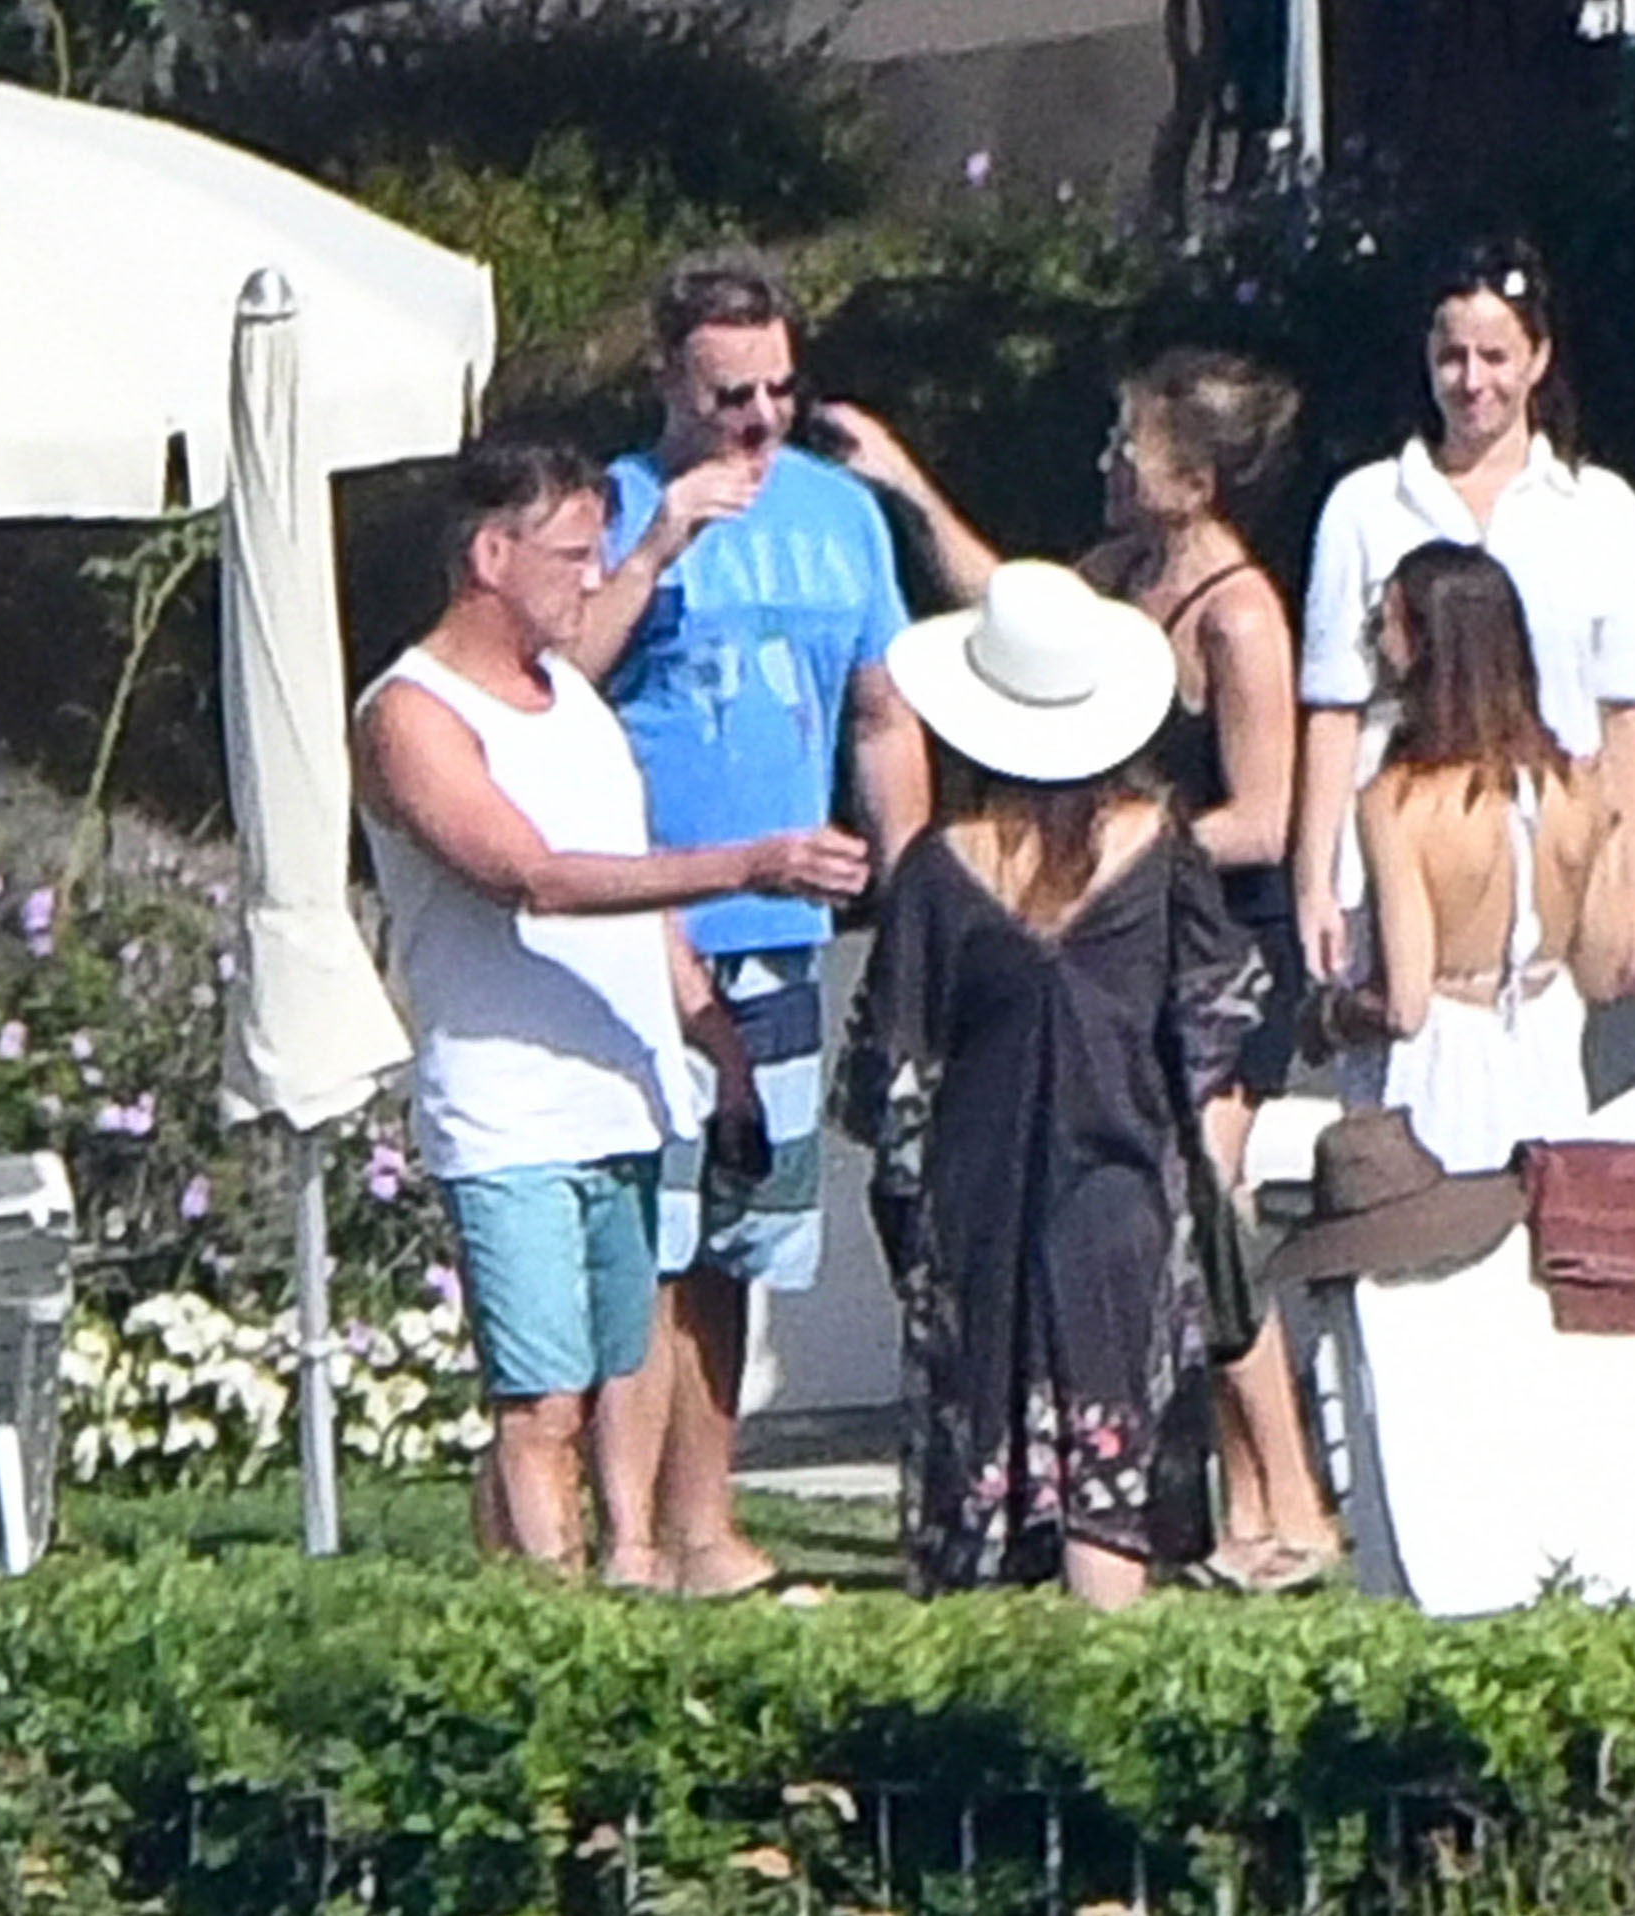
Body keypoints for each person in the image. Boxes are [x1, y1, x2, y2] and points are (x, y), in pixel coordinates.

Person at [826, 352, 1340, 1593]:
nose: (1106, 460)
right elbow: (1015, 617)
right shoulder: (1114, 574)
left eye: (1130, 445)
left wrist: (1112, 862)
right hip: (1088, 923)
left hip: (1195, 942)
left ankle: (1282, 1495)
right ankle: (1200, 1499)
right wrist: (908, 488)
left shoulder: (1237, 618)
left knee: (1199, 1215)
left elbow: (1265, 816)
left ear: (1196, 480)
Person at [353, 437, 871, 1579]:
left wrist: (715, 1040)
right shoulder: (413, 715)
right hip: (511, 1114)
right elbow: (532, 877)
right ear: (491, 556)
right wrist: (750, 864)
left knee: (594, 1387)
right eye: (573, 556)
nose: (593, 580)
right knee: (538, 1403)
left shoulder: (574, 701)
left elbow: (634, 881)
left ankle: (548, 1588)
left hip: (623, 1101)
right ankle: (558, 1626)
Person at [570, 251, 931, 1598]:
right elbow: (557, 685)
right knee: (644, 1237)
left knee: (738, 1236)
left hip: (780, 933)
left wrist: (912, 900)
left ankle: (703, 1525)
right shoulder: (613, 507)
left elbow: (881, 714)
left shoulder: (837, 516)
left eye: (780, 388)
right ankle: (623, 1537)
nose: (762, 418)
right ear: (667, 378)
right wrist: (659, 543)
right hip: (643, 926)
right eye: (731, 395)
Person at [834, 561, 1268, 1606]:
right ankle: (1104, 1675)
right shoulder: (1159, 851)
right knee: (1108, 1474)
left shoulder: (938, 871)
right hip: (1118, 1189)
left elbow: (886, 1073)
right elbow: (1216, 1019)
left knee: (985, 1459)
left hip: (976, 1203)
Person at [1292, 236, 1635, 1022]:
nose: (1472, 382)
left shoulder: (1601, 510)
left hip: (1547, 878)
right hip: (1393, 871)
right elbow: (1334, 709)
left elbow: (1627, 712)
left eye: (1495, 357)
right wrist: (1314, 883)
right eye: (1452, 357)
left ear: (1538, 358)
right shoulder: (1366, 507)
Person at [1305, 542, 1631, 1169]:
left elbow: (1406, 1004)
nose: (1377, 643)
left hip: (1443, 1072)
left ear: (1423, 644)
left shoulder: (1400, 801)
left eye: (1385, 624)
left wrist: (1331, 1017)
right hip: (1549, 1057)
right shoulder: (1577, 785)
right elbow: (1598, 970)